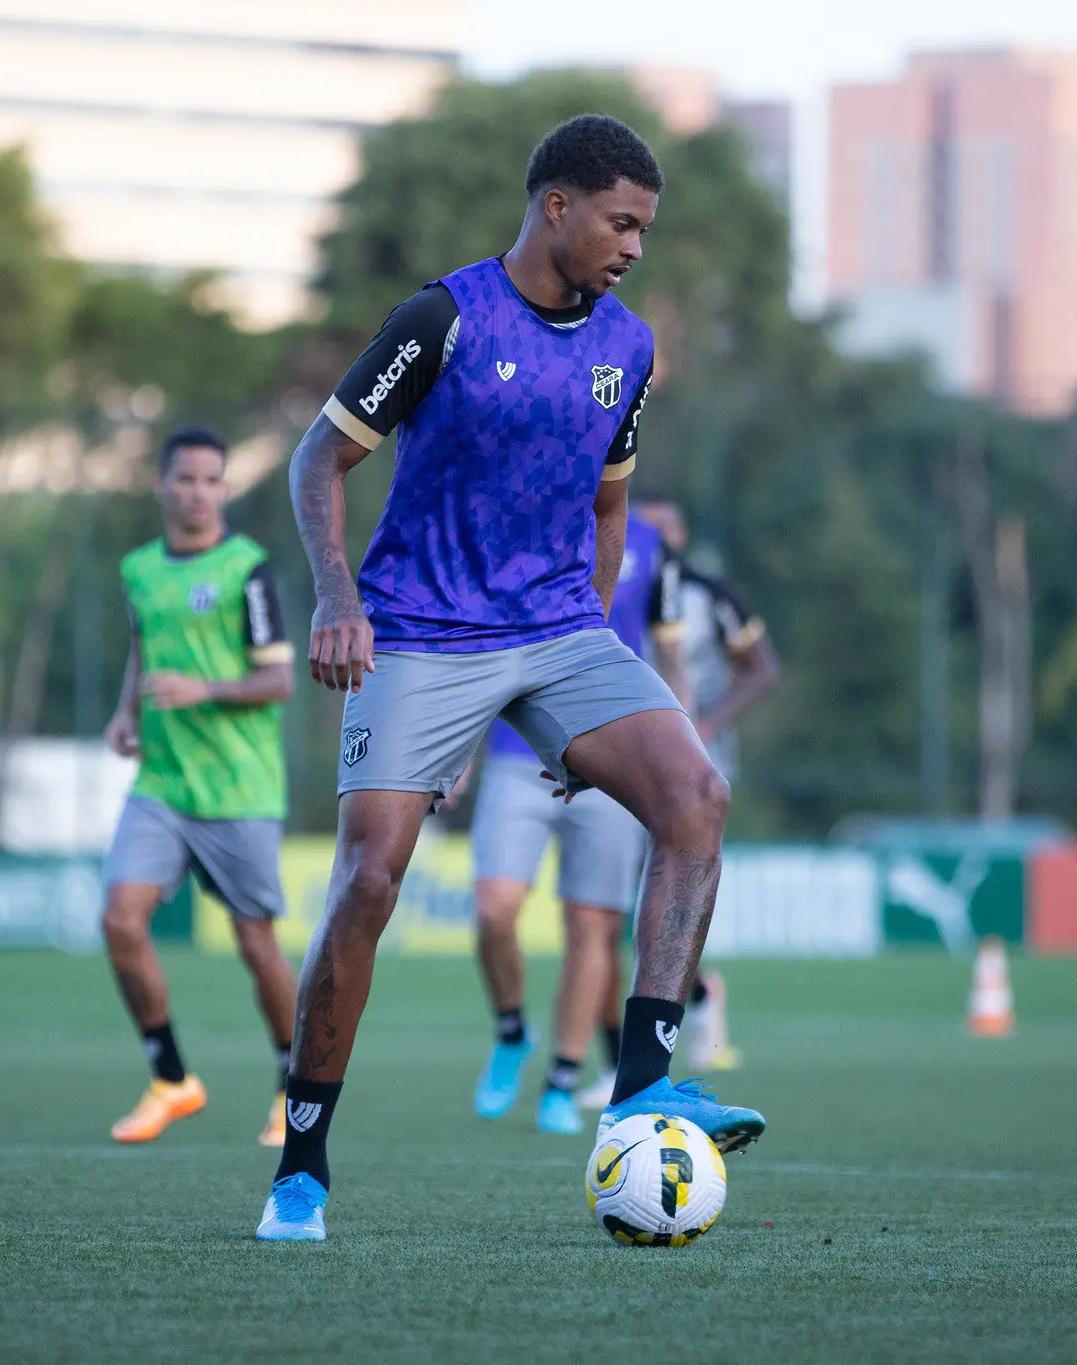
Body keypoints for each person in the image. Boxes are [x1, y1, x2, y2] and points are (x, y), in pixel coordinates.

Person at [258, 114, 763, 1242]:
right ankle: (301, 1161)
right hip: (421, 632)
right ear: (557, 207)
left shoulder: (626, 347)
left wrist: (582, 693)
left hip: (559, 631)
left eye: (644, 228)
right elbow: (318, 458)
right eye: (621, 223)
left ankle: (641, 1085)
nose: (634, 247)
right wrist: (339, 599)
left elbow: (610, 508)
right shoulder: (440, 318)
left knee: (696, 799)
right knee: (370, 883)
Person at [99, 427, 300, 1149]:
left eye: (212, 480)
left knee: (255, 944)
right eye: (185, 478)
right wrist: (126, 710)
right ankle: (171, 1078)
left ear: (224, 489)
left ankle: (292, 1087)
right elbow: (143, 647)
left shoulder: (248, 569)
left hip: (239, 787)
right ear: (161, 485)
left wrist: (203, 688)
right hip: (161, 781)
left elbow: (278, 678)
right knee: (121, 920)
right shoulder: (139, 570)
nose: (198, 491)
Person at [460, 508, 684, 1135]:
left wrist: (681, 747)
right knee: (493, 908)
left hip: (615, 753)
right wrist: (456, 756)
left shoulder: (649, 544)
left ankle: (563, 1078)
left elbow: (668, 651)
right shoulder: (520, 522)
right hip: (515, 753)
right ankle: (511, 1032)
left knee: (592, 927)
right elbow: (478, 652)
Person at [608, 497, 783, 1075]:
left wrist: (707, 722)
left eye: (662, 529)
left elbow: (762, 668)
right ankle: (690, 1002)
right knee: (621, 900)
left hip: (693, 755)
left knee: (666, 879)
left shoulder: (713, 595)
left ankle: (666, 1028)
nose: (650, 539)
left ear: (680, 536)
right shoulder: (607, 580)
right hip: (619, 747)